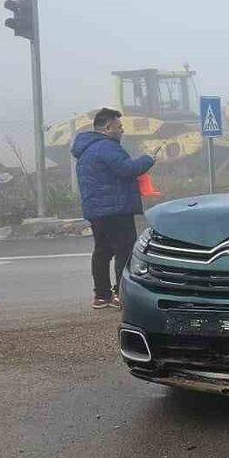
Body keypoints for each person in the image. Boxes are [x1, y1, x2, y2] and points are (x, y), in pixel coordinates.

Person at [71, 108, 157, 309]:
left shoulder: (86, 149)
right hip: (116, 208)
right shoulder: (107, 147)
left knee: (102, 250)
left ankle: (101, 296)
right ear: (108, 127)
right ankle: (121, 293)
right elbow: (126, 169)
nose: (122, 130)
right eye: (119, 126)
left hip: (96, 210)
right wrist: (148, 159)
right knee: (125, 249)